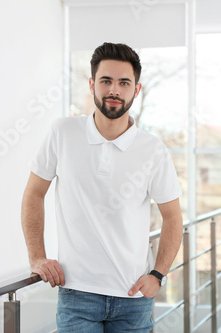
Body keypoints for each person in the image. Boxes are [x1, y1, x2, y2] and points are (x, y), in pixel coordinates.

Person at [21, 42, 183, 332]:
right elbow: (34, 193)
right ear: (92, 84)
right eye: (106, 81)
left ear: (136, 89)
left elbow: (173, 216)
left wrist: (158, 275)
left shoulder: (153, 150)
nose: (114, 90)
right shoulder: (63, 133)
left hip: (133, 298)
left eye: (124, 82)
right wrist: (37, 257)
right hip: (77, 295)